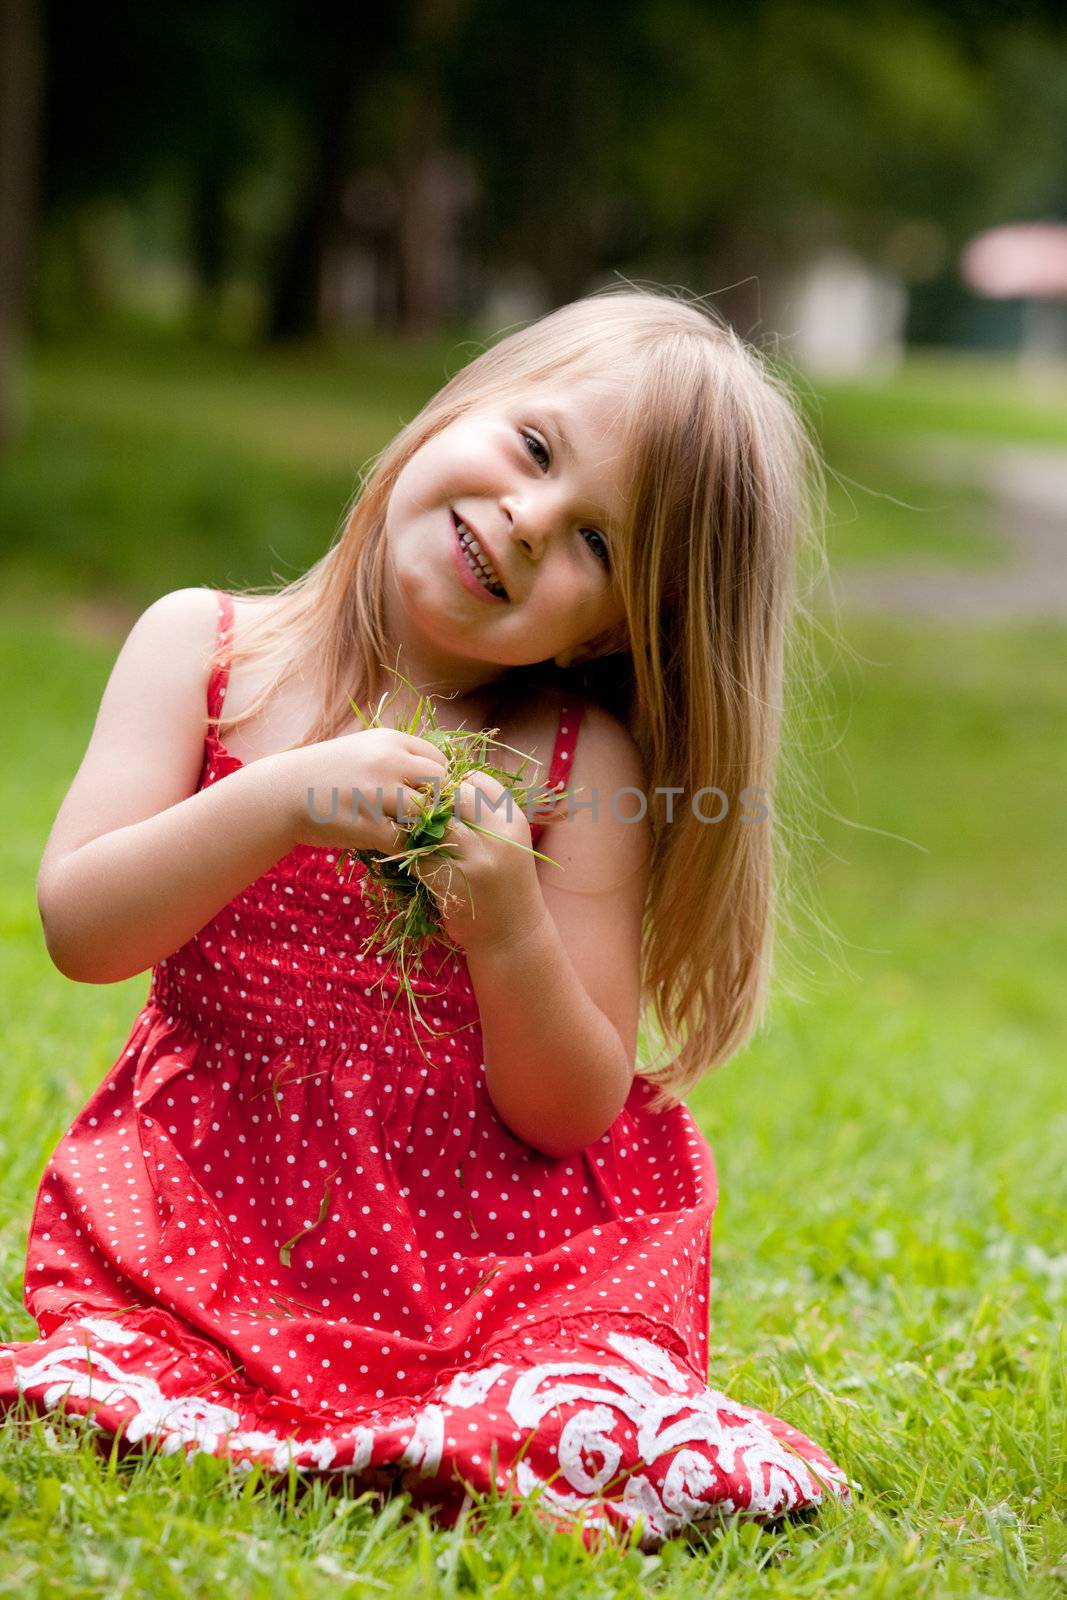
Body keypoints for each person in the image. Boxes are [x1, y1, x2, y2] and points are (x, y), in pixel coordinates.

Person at [0, 286, 851, 1549]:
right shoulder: (204, 649)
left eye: (597, 545)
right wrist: (278, 803)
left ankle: (455, 1417)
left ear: (620, 624)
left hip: (483, 1265)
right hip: (207, 1219)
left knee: (581, 1413)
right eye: (534, 449)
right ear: (459, 406)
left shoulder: (577, 759)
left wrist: (506, 921)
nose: (525, 518)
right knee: (104, 1380)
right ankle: (252, 1399)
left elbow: (571, 1106)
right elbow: (83, 924)